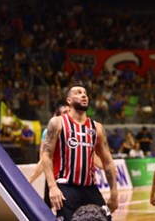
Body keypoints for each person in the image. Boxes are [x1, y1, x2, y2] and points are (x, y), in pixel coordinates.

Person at [42, 86, 118, 221]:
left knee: (105, 218)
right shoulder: (57, 123)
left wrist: (114, 194)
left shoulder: (97, 128)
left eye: (85, 93)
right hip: (65, 187)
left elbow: (108, 162)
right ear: (69, 100)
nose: (84, 95)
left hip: (90, 188)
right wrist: (52, 187)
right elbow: (46, 156)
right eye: (78, 93)